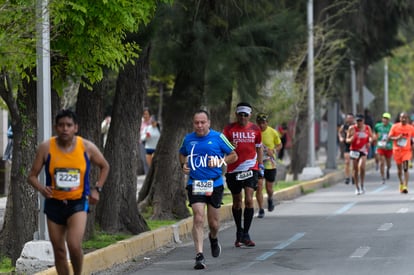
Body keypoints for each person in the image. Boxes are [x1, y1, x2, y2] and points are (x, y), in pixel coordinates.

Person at [27, 109, 110, 275]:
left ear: (75, 128)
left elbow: (105, 166)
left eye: (69, 125)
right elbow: (32, 176)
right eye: (61, 125)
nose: (65, 128)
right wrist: (42, 189)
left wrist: (97, 189)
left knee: (73, 244)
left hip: (77, 203)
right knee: (58, 250)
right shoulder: (46, 148)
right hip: (54, 204)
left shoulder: (86, 147)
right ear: (56, 128)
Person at [179, 110, 237, 270]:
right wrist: (183, 165)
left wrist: (220, 161)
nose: (199, 125)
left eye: (202, 122)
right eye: (196, 122)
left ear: (208, 123)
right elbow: (182, 154)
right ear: (193, 124)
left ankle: (213, 237)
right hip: (195, 183)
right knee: (198, 217)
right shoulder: (188, 139)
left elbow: (234, 155)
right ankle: (199, 255)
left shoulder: (218, 138)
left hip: (215, 184)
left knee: (214, 223)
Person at [223, 102, 263, 247]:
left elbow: (259, 148)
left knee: (249, 200)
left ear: (250, 115)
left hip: (251, 168)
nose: (243, 117)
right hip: (234, 170)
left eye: (246, 115)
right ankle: (239, 231)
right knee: (237, 201)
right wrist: (229, 146)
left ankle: (246, 234)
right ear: (236, 115)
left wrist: (260, 166)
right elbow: (222, 148)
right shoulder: (228, 129)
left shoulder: (255, 129)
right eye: (240, 114)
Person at [255, 113, 282, 218]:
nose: (261, 125)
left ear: (267, 122)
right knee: (259, 187)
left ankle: (270, 198)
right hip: (258, 163)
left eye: (263, 123)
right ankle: (261, 209)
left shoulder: (273, 132)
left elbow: (280, 145)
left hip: (270, 164)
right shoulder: (253, 132)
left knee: (269, 187)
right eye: (259, 123)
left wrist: (273, 150)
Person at [346, 114, 373, 195]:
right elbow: (347, 139)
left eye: (360, 121)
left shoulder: (367, 128)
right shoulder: (352, 128)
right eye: (357, 121)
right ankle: (357, 187)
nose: (359, 123)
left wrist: (369, 141)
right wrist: (351, 139)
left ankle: (362, 184)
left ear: (363, 121)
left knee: (362, 167)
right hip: (354, 150)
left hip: (363, 150)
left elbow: (371, 137)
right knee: (355, 169)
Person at [388, 112, 414, 194]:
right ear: (400, 118)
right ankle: (401, 183)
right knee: (399, 170)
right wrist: (397, 138)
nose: (404, 119)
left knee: (405, 168)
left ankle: (405, 186)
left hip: (406, 151)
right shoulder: (395, 127)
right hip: (397, 150)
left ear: (408, 119)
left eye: (405, 118)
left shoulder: (410, 128)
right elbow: (389, 138)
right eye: (402, 117)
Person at [374, 113, 393, 184]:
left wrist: (388, 139)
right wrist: (375, 138)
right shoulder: (378, 126)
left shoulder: (391, 126)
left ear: (389, 120)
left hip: (389, 147)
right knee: (382, 162)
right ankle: (382, 177)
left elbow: (393, 135)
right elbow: (375, 133)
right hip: (380, 146)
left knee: (389, 164)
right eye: (384, 118)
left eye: (387, 119)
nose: (385, 120)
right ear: (382, 119)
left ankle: (388, 169)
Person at [337, 113, 355, 185]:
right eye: (348, 118)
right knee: (347, 162)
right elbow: (339, 132)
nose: (349, 119)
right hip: (347, 146)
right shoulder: (344, 126)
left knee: (354, 163)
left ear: (353, 119)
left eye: (351, 118)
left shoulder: (355, 126)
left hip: (354, 146)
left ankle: (354, 176)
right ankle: (347, 177)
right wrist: (340, 137)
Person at [139, 108, 152, 174]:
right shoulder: (140, 123)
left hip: (151, 144)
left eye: (146, 114)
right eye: (144, 114)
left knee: (150, 161)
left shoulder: (152, 123)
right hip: (142, 143)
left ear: (150, 115)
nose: (145, 116)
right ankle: (147, 175)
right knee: (144, 161)